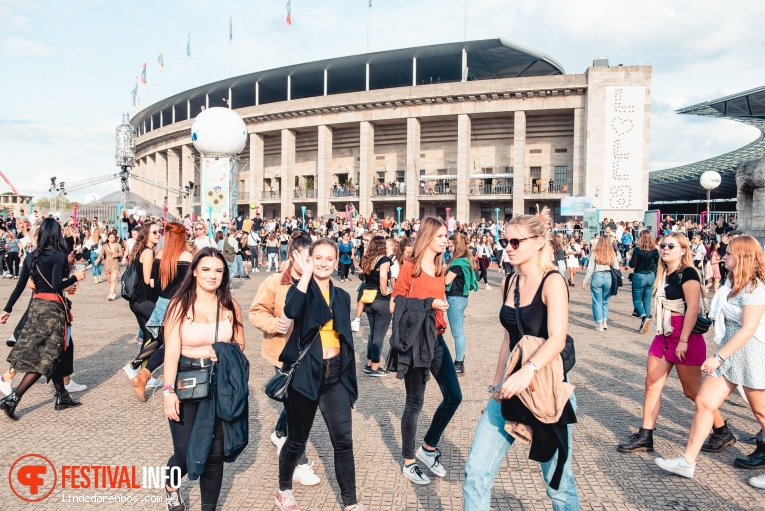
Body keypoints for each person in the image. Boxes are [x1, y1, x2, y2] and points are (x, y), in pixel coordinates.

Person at [463, 212, 579, 510]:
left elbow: (557, 338)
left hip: (546, 391)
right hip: (509, 389)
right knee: (475, 472)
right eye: (504, 240)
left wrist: (527, 371)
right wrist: (497, 381)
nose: (508, 247)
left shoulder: (553, 281)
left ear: (539, 243)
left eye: (515, 241)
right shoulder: (510, 281)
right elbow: (508, 338)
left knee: (558, 486)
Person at [654, 235, 765, 489]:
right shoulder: (733, 281)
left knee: (761, 412)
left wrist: (718, 356)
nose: (722, 256)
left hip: (751, 353)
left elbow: (748, 329)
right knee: (704, 402)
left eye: (728, 253)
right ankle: (687, 461)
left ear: (743, 257)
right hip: (730, 352)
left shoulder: (756, 287)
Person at [617, 233, 733, 455]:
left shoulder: (687, 273)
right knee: (652, 385)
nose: (665, 248)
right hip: (664, 334)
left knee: (693, 391)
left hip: (684, 337)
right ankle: (645, 435)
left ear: (683, 250)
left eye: (671, 245)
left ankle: (721, 430)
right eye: (663, 245)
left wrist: (683, 340)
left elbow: (692, 308)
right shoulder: (663, 273)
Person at [275, 239, 366, 511]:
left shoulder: (343, 296)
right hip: (305, 376)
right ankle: (284, 490)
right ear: (310, 260)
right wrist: (303, 277)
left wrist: (348, 375)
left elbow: (345, 337)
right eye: (318, 258)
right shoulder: (300, 290)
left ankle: (350, 502)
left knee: (343, 441)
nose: (324, 263)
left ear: (337, 261)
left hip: (335, 375)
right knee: (296, 440)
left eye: (329, 258)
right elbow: (290, 312)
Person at [162, 247, 246, 511]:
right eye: (207, 269)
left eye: (219, 271)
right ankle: (171, 486)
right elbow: (171, 351)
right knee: (186, 454)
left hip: (220, 383)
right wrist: (168, 391)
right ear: (195, 272)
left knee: (214, 453)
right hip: (186, 380)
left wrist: (224, 350)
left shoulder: (231, 306)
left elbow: (240, 343)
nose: (213, 275)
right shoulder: (179, 305)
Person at [389, 216, 462, 485]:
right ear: (429, 237)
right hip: (416, 342)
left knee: (454, 396)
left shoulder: (441, 267)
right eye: (442, 235)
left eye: (447, 236)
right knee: (414, 403)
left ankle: (428, 448)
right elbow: (395, 304)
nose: (446, 240)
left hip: (438, 340)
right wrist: (429, 303)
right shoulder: (411, 267)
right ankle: (409, 461)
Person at [249, 231, 320, 487]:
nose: (311, 262)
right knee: (296, 404)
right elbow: (256, 312)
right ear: (293, 256)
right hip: (283, 352)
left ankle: (280, 433)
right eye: (306, 256)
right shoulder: (275, 282)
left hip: (311, 355)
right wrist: (272, 324)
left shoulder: (318, 282)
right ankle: (298, 462)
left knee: (295, 402)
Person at [0, 218, 86, 420]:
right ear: (56, 234)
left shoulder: (31, 256)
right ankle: (13, 398)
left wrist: (7, 309)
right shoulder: (57, 256)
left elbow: (20, 286)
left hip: (36, 307)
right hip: (52, 310)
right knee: (47, 358)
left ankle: (61, 396)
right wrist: (76, 278)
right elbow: (57, 285)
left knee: (53, 354)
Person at [122, 223, 161, 383]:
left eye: (159, 231)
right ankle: (133, 366)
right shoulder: (147, 252)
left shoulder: (139, 250)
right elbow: (148, 280)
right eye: (155, 232)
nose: (158, 234)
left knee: (148, 336)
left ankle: (147, 376)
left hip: (136, 301)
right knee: (160, 338)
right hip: (145, 300)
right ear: (146, 235)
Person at [445, 233, 478, 374]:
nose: (449, 248)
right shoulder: (466, 259)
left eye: (451, 246)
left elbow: (446, 281)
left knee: (457, 333)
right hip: (461, 298)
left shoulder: (457, 263)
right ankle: (459, 361)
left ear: (457, 246)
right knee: (459, 332)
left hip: (455, 299)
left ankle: (459, 363)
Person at [360, 236, 392, 377]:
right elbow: (383, 276)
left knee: (372, 332)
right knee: (379, 334)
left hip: (368, 298)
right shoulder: (384, 259)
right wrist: (385, 291)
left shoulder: (368, 259)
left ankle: (368, 364)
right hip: (380, 299)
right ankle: (375, 367)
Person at [582, 235, 620, 331]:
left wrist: (585, 280)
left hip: (597, 276)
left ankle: (599, 324)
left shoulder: (595, 253)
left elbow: (590, 269)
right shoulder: (611, 253)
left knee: (597, 301)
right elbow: (617, 267)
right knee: (605, 301)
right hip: (608, 277)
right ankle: (605, 322)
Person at [630, 230, 660, 334]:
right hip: (650, 275)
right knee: (647, 301)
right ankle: (644, 323)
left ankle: (643, 316)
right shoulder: (655, 251)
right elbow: (657, 264)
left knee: (637, 301)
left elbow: (632, 265)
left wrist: (631, 257)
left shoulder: (637, 250)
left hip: (639, 275)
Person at [94, 231, 124, 301]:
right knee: (110, 280)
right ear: (108, 238)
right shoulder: (104, 246)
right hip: (107, 264)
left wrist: (116, 254)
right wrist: (97, 261)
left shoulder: (118, 245)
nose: (113, 239)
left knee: (113, 280)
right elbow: (101, 254)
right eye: (111, 237)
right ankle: (113, 292)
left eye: (114, 237)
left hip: (115, 264)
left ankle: (111, 294)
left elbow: (121, 254)